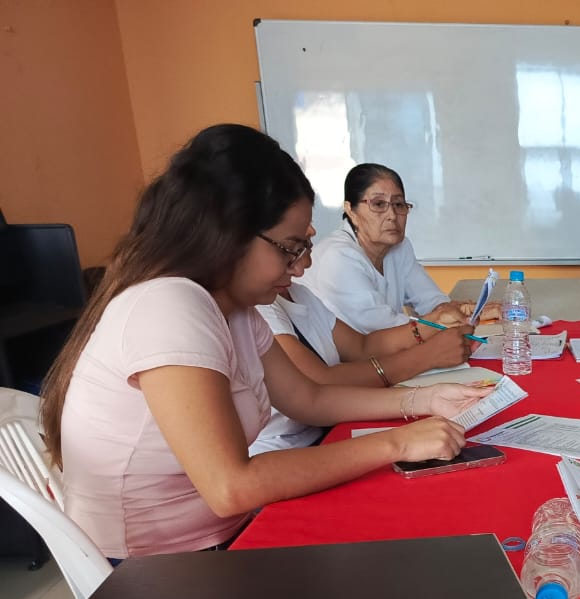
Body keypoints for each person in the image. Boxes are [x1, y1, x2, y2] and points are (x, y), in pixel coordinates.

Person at [41, 124, 493, 560]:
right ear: (229, 234)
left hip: (224, 534)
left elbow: (309, 399)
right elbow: (231, 486)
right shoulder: (170, 305)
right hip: (158, 564)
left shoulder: (235, 307)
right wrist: (398, 444)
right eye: (289, 248)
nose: (302, 267)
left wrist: (426, 399)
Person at [250, 249, 479, 454]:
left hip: (326, 430)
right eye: (292, 248)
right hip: (287, 450)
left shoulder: (297, 293)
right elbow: (318, 387)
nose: (304, 266)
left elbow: (360, 347)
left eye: (306, 246)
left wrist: (432, 324)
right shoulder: (259, 307)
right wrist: (427, 357)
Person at [298, 163, 497, 335]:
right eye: (378, 204)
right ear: (351, 210)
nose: (392, 215)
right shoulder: (338, 256)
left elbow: (431, 300)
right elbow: (382, 327)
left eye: (399, 204)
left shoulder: (400, 247)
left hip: (382, 353)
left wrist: (465, 311)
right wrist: (445, 318)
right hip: (338, 361)